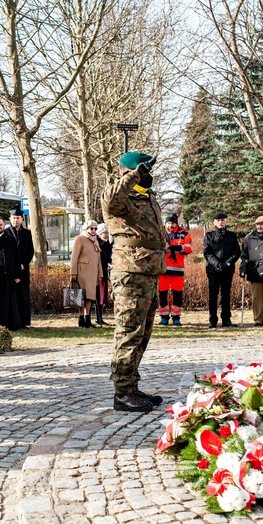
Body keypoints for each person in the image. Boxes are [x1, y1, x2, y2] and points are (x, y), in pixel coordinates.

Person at [101, 151, 166, 412]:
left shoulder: (147, 197)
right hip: (130, 274)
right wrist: (133, 175)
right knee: (128, 333)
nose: (148, 175)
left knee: (142, 334)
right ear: (129, 171)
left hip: (148, 274)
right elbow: (109, 201)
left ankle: (132, 386)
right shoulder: (119, 197)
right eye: (144, 170)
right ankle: (122, 393)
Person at [203, 212, 240, 328]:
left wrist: (227, 263)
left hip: (227, 270)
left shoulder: (232, 236)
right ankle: (212, 320)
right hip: (213, 270)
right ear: (214, 222)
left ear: (226, 221)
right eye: (218, 220)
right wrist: (218, 264)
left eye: (223, 220)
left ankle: (226, 319)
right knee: (213, 295)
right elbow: (207, 253)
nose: (221, 222)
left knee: (226, 295)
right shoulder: (209, 236)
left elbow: (236, 252)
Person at [159, 215, 192, 326]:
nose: (171, 225)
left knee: (177, 294)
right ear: (166, 223)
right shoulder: (159, 232)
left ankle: (176, 317)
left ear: (176, 224)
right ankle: (163, 317)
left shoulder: (185, 234)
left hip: (177, 270)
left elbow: (188, 248)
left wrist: (176, 247)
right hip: (162, 270)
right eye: (169, 223)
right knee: (162, 294)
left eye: (173, 223)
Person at [70, 220, 103, 328]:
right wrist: (73, 273)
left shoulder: (95, 241)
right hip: (82, 272)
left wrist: (100, 275)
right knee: (81, 296)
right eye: (91, 228)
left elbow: (99, 260)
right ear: (86, 228)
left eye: (95, 229)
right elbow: (74, 257)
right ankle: (81, 319)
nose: (93, 231)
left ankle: (87, 319)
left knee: (90, 296)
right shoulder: (80, 239)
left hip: (93, 273)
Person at [6, 207, 34, 327]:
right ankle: (13, 321)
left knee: (23, 295)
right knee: (12, 295)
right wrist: (14, 265)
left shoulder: (27, 233)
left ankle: (24, 321)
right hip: (11, 270)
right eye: (13, 218)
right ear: (10, 219)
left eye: (18, 218)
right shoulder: (6, 233)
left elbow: (30, 251)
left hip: (23, 269)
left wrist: (23, 263)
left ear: (22, 219)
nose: (15, 221)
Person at [94, 223, 113, 326]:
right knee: (97, 296)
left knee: (102, 296)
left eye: (107, 232)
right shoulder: (97, 243)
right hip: (97, 273)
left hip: (104, 272)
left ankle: (100, 317)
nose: (105, 234)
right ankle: (97, 317)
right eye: (104, 233)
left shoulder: (107, 244)